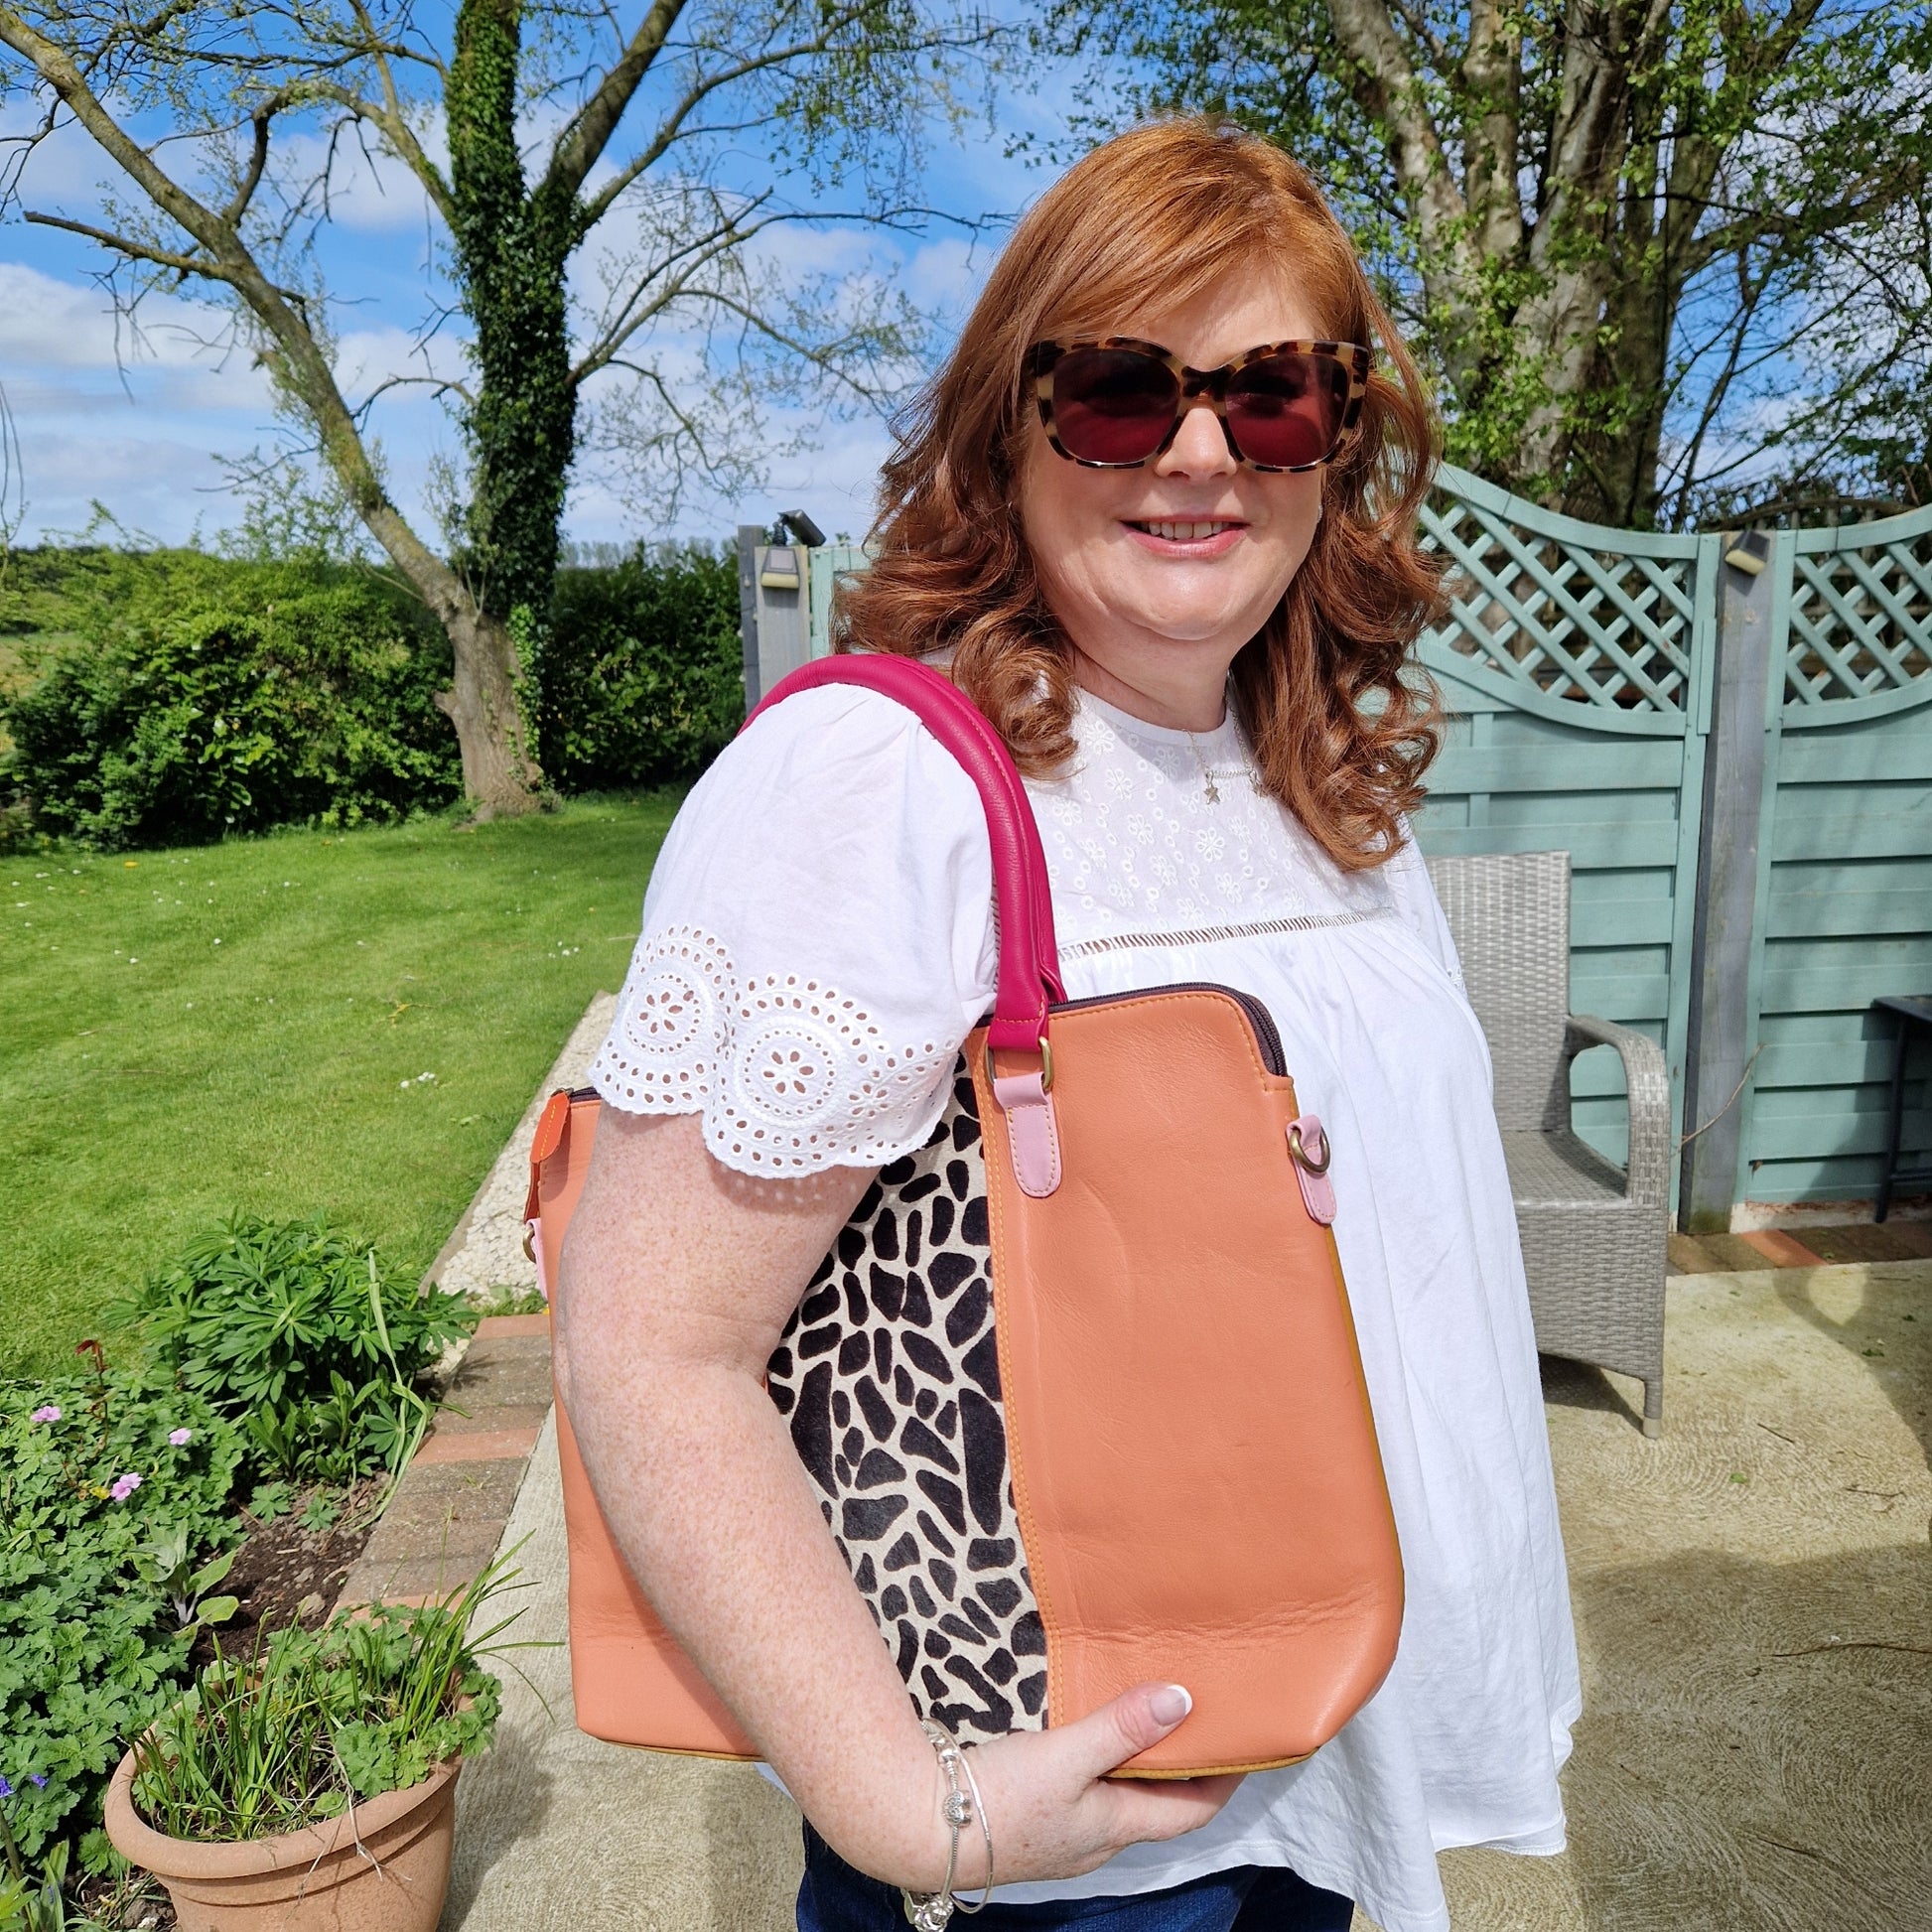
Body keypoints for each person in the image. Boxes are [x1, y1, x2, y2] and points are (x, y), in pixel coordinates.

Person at [555, 117, 1580, 1932]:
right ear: (1004, 429)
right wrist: (904, 1805)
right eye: (1118, 390)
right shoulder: (879, 779)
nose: (1198, 451)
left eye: (1270, 397)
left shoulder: (1323, 781)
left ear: (1334, 440)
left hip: (1331, 1742)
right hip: (1081, 1832)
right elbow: (649, 1348)